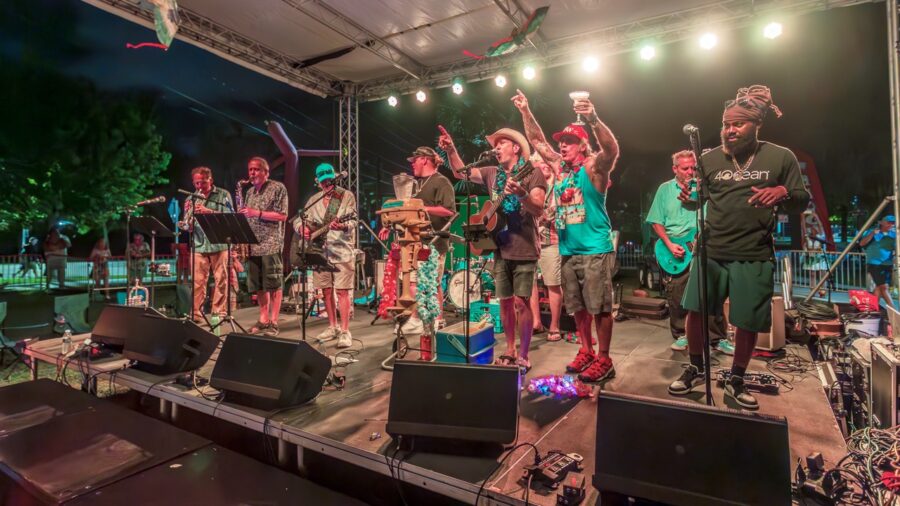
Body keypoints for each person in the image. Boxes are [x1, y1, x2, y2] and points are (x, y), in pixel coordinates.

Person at [666, 85, 810, 410]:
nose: (729, 131)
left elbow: (802, 200)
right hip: (711, 250)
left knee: (745, 321)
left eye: (737, 124)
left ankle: (737, 377)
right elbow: (699, 200)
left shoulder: (780, 156)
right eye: (725, 124)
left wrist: (782, 193)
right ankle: (696, 366)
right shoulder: (710, 158)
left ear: (756, 125)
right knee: (696, 312)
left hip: (753, 252)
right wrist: (690, 201)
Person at [513, 89, 619, 382]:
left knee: (600, 309)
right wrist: (525, 111)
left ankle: (605, 358)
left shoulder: (593, 167)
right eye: (562, 142)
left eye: (570, 142)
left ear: (583, 145)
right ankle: (586, 350)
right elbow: (538, 142)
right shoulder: (561, 171)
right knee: (579, 309)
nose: (563, 147)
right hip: (568, 250)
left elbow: (611, 151)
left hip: (595, 249)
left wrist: (593, 119)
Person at [440, 125, 547, 372]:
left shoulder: (533, 173)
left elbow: (539, 208)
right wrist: (451, 149)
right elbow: (460, 173)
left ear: (516, 148)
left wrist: (522, 195)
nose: (496, 147)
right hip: (499, 246)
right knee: (506, 302)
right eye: (495, 144)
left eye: (502, 143)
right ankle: (509, 349)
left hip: (525, 247)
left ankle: (523, 354)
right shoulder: (492, 173)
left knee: (522, 302)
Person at [646, 150, 731, 354]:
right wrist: (668, 244)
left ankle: (716, 338)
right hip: (676, 248)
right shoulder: (665, 190)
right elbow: (656, 221)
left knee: (711, 293)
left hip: (704, 246)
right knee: (677, 295)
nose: (690, 172)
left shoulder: (705, 189)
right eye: (685, 168)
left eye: (693, 167)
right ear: (675, 169)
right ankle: (681, 335)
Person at [378, 146, 456, 324]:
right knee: (411, 282)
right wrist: (389, 225)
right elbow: (407, 212)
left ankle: (437, 319)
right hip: (412, 242)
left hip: (434, 242)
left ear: (424, 160)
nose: (412, 164)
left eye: (414, 161)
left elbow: (449, 211)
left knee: (432, 284)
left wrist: (423, 208)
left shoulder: (441, 182)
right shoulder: (415, 184)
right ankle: (415, 318)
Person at [297, 163, 358, 348]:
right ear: (318, 182)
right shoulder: (314, 200)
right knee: (326, 290)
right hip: (320, 251)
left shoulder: (346, 196)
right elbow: (299, 220)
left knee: (342, 291)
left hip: (342, 250)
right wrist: (302, 228)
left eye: (330, 181)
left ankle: (346, 330)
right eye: (323, 182)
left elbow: (354, 220)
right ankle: (333, 326)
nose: (328, 185)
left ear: (335, 178)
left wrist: (343, 225)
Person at [241, 156, 289, 336]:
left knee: (274, 284)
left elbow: (283, 215)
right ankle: (263, 319)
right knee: (259, 286)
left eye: (256, 169)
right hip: (253, 246)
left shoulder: (278, 188)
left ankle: (274, 322)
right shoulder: (249, 193)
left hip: (271, 244)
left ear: (266, 172)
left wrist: (257, 213)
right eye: (250, 170)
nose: (252, 173)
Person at [179, 166, 234, 323]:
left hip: (219, 244)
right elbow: (188, 225)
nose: (199, 187)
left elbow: (230, 217)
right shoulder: (190, 199)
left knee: (221, 280)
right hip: (199, 244)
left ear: (211, 180)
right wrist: (187, 225)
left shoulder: (224, 195)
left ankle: (219, 312)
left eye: (202, 183)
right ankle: (196, 314)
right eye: (196, 183)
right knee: (197, 282)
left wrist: (207, 211)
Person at [528, 152, 564, 342]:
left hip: (552, 239)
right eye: (539, 162)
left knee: (552, 282)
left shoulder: (558, 186)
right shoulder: (532, 186)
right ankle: (536, 322)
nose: (544, 165)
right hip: (531, 240)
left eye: (545, 162)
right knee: (531, 283)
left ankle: (554, 325)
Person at [861, 214, 897, 310]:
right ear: (881, 222)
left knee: (879, 288)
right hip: (875, 264)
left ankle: (873, 309)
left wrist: (895, 256)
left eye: (893, 223)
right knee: (884, 287)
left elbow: (897, 248)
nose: (891, 225)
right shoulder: (872, 232)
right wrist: (872, 233)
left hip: (887, 264)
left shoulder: (894, 234)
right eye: (889, 222)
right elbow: (862, 243)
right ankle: (894, 311)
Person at [801, 211, 829, 298]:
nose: (812, 229)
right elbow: (803, 226)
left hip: (820, 257)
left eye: (814, 228)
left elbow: (820, 225)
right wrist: (802, 216)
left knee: (822, 274)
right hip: (811, 258)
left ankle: (822, 290)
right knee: (812, 274)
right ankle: (812, 290)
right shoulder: (808, 237)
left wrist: (816, 216)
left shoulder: (821, 236)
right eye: (811, 228)